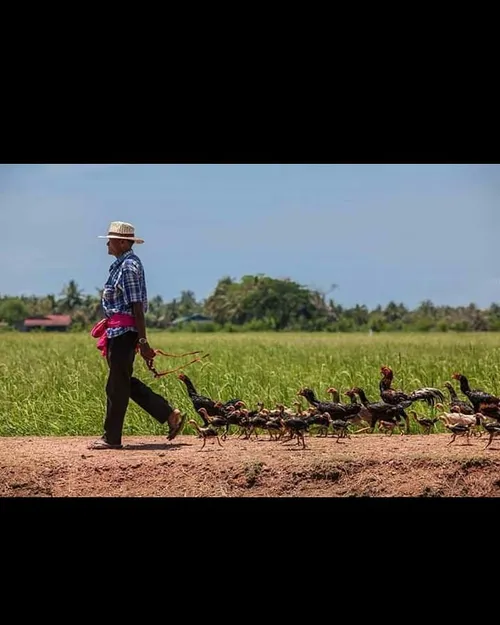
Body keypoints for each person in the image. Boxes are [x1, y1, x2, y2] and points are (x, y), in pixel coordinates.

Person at [89, 220, 185, 450]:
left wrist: (142, 340)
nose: (107, 245)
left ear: (122, 242)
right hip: (116, 332)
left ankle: (112, 438)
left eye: (110, 241)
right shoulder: (121, 265)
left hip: (125, 333)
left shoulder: (129, 267)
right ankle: (169, 414)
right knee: (122, 382)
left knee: (116, 385)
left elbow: (137, 307)